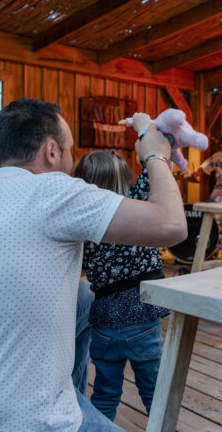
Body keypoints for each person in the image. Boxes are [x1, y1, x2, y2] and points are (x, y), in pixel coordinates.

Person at [0, 98, 186, 432]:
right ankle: (65, 412)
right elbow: (173, 226)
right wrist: (156, 155)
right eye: (70, 149)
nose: (72, 162)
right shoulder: (52, 191)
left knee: (85, 295)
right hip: (30, 421)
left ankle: (71, 393)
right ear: (51, 152)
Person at [73, 149, 169, 421]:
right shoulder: (135, 206)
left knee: (104, 392)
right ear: (123, 180)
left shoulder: (82, 221)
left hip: (102, 323)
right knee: (155, 392)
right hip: (141, 316)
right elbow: (153, 172)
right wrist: (148, 142)